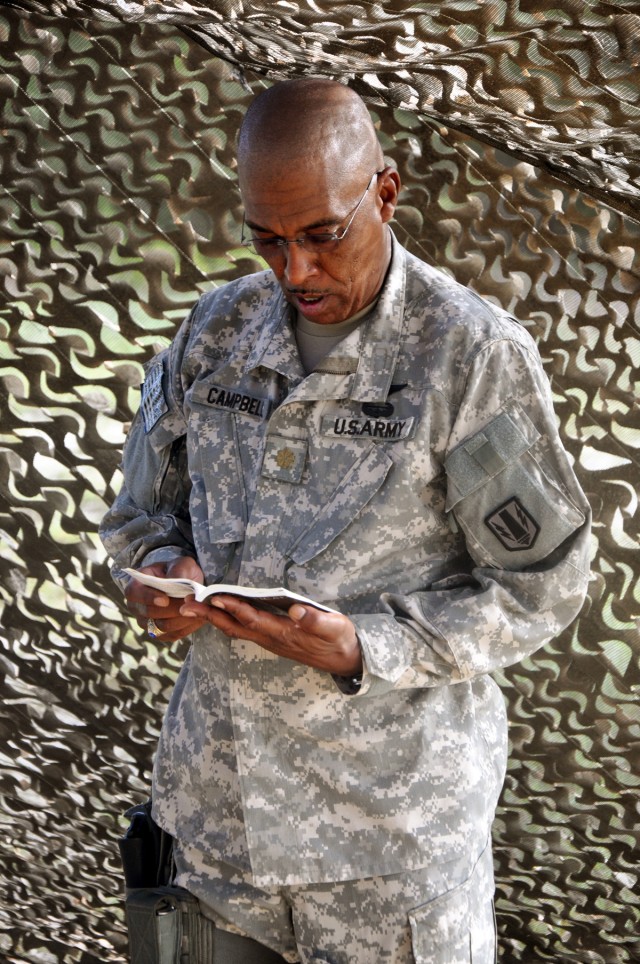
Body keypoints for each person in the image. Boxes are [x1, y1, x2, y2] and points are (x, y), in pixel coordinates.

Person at [100, 77, 591, 964]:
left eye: (324, 235)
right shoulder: (216, 333)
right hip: (218, 841)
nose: (296, 272)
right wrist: (161, 573)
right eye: (268, 240)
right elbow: (137, 517)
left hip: (388, 854)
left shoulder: (470, 357)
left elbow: (542, 586)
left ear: (386, 193)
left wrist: (367, 648)